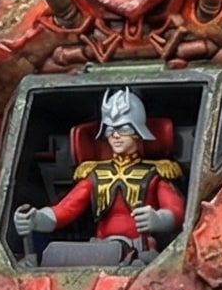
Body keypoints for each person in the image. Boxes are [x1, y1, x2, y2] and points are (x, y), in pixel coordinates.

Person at [19, 88, 184, 250]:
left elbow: (176, 211)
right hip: (102, 250)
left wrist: (159, 220)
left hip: (141, 249)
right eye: (110, 130)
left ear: (139, 132)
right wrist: (36, 219)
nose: (116, 136)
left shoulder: (156, 173)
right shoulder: (95, 174)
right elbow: (65, 209)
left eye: (124, 129)